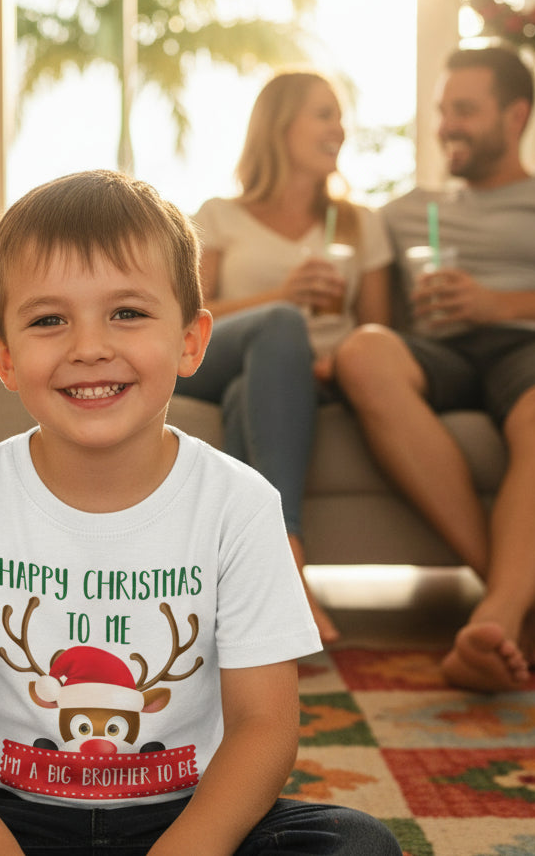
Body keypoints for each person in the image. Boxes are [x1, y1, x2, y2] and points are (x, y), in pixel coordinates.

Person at [0, 171, 399, 855]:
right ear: (4, 357)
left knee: (356, 844)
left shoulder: (242, 505)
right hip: (5, 814)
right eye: (49, 320)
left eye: (127, 313)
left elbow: (264, 727)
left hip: (187, 818)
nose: (88, 347)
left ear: (190, 341)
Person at [331, 45, 535, 693]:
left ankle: (494, 619)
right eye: (443, 110)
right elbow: (338, 257)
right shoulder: (404, 210)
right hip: (443, 351)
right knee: (364, 351)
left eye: (465, 110)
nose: (447, 126)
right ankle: (523, 603)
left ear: (515, 116)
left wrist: (497, 303)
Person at [177, 69, 393, 643]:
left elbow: (378, 330)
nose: (338, 128)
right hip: (218, 353)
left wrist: (339, 362)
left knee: (249, 393)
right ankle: (290, 564)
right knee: (279, 324)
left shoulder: (360, 223)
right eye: (324, 114)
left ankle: (252, 588)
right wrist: (283, 296)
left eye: (340, 116)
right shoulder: (219, 215)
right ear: (279, 126)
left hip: (313, 376)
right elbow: (187, 317)